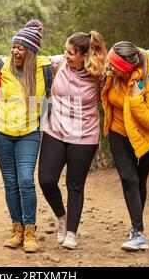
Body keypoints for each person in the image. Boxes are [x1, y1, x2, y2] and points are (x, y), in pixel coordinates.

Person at [38, 31, 107, 250]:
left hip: (84, 136)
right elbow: (33, 61)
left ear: (84, 55)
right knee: (46, 180)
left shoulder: (99, 75)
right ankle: (62, 218)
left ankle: (71, 233)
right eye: (65, 50)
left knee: (75, 185)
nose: (65, 55)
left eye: (70, 53)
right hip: (55, 131)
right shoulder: (58, 64)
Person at [0, 19, 51, 253]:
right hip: (0, 133)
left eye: (21, 48)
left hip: (29, 133)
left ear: (32, 52)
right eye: (14, 46)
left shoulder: (44, 68)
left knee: (26, 180)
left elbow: (72, 58)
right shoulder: (1, 64)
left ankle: (31, 231)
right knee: (11, 182)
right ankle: (17, 229)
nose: (15, 51)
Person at [101, 41, 149, 251]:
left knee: (139, 181)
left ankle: (136, 230)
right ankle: (139, 233)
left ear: (127, 67)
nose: (109, 68)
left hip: (148, 139)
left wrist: (137, 100)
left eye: (113, 65)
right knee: (129, 179)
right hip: (120, 133)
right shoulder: (111, 76)